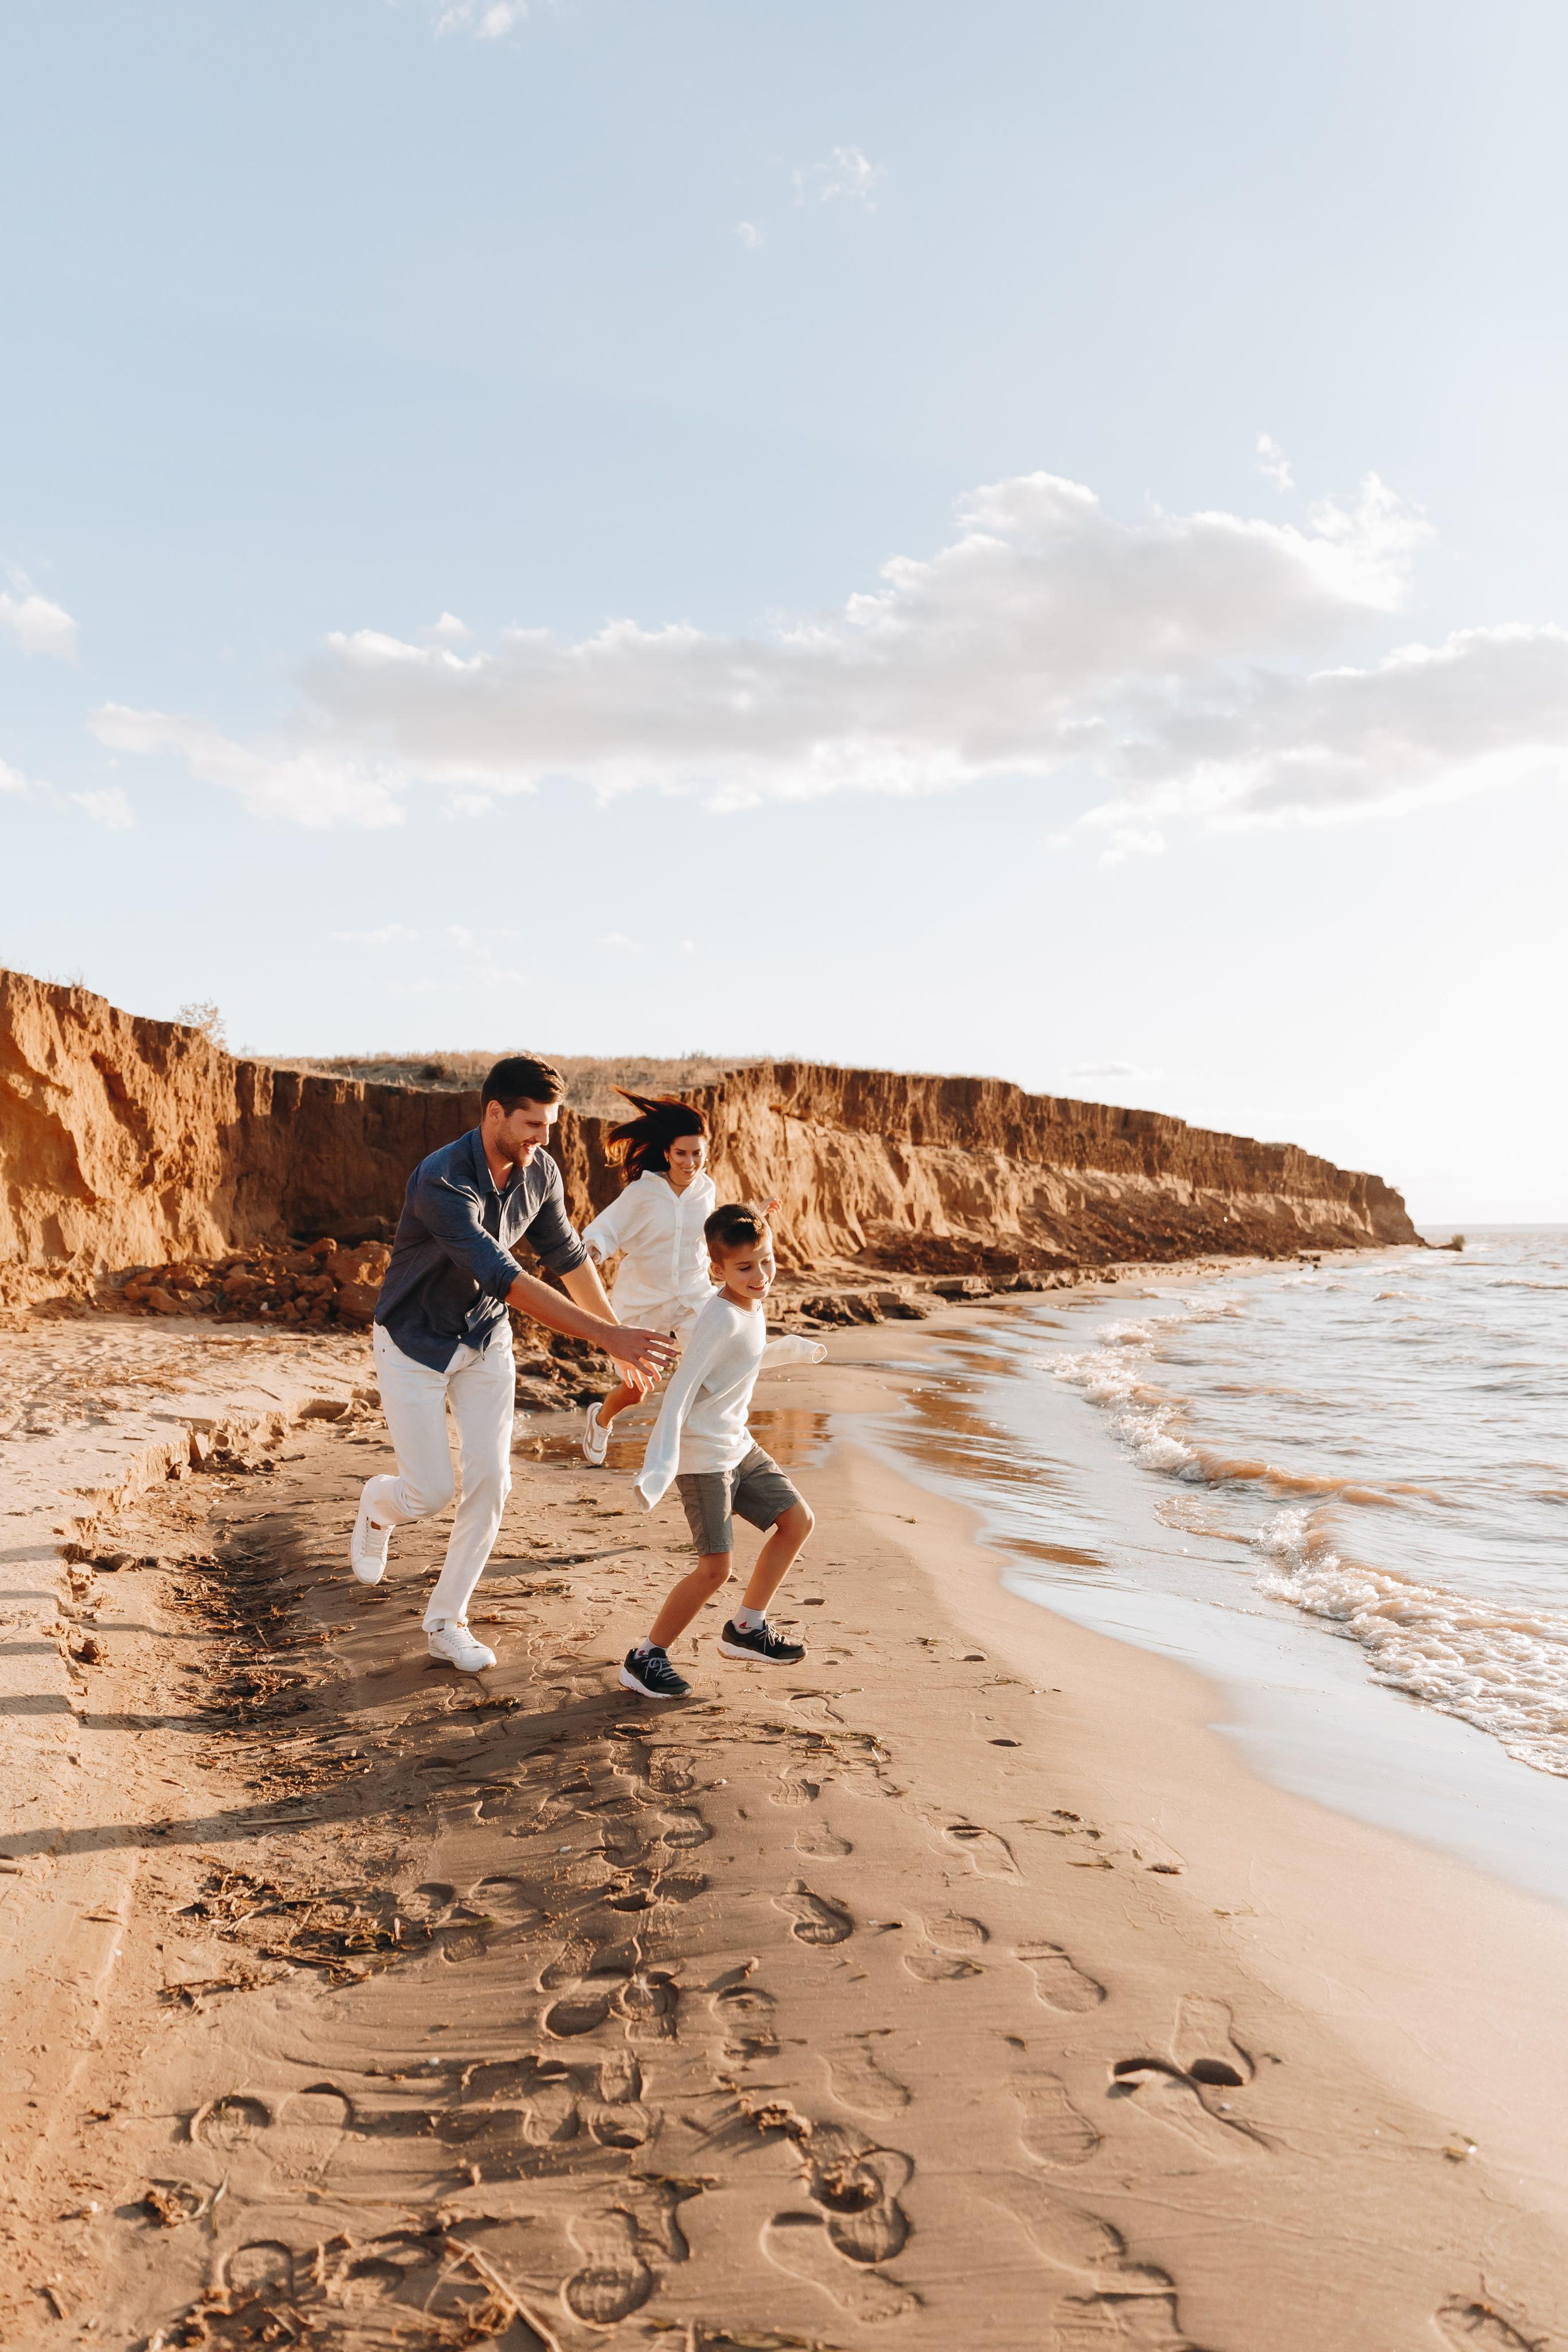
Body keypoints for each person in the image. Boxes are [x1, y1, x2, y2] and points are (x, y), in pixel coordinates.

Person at [349, 1054, 678, 1673]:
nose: (542, 1139)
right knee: (429, 1492)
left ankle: (447, 1621)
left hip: (484, 1341)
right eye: (531, 1124)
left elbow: (568, 1257)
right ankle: (378, 1505)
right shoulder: (440, 1180)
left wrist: (610, 1335)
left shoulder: (541, 1171)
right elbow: (508, 1278)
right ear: (493, 1112)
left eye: (549, 1126)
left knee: (491, 1480)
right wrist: (610, 1337)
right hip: (414, 1342)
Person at [619, 1202, 826, 1699]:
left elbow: (743, 1364)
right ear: (718, 1270)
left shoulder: (751, 1305)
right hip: (704, 1457)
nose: (760, 1275)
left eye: (766, 1260)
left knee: (797, 1521)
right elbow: (682, 1390)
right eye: (745, 1267)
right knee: (715, 1569)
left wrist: (792, 1349)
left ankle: (747, 1629)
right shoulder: (719, 1317)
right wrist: (660, 1464)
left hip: (738, 1444)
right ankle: (645, 1658)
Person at [578, 1091, 718, 1467]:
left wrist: (756, 1215)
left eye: (697, 1155)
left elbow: (714, 1234)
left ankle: (706, 1448)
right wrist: (592, 1250)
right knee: (636, 1390)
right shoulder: (643, 1193)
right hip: (645, 1299)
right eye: (681, 1154)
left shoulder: (707, 1191)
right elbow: (607, 1230)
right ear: (667, 1153)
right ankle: (601, 1419)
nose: (690, 1163)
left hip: (693, 1297)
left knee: (714, 1369)